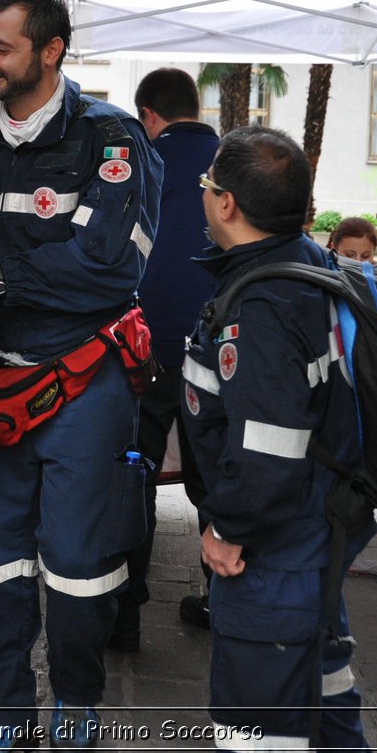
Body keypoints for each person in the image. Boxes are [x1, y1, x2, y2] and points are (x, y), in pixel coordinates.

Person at [0, 0, 160, 750]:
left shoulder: (112, 140)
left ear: (51, 52)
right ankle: (2, 721)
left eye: (2, 47)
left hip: (86, 380)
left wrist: (2, 277)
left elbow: (112, 266)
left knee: (81, 561)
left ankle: (77, 702)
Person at [178, 126, 373, 753]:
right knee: (325, 693)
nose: (204, 193)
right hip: (318, 532)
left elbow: (268, 448)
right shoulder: (309, 265)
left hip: (275, 553)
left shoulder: (263, 305)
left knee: (256, 735)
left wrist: (226, 530)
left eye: (208, 183)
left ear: (226, 203)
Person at [110, 67, 220, 649]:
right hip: (220, 353)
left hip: (145, 348)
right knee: (217, 478)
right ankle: (223, 600)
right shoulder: (234, 163)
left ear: (148, 114)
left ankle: (124, 612)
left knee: (136, 474)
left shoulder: (142, 161)